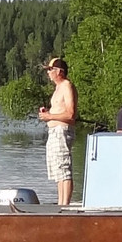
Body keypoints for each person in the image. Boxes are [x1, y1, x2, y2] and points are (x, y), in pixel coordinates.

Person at [37, 57, 78, 205]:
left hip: (62, 131)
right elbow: (60, 110)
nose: (48, 73)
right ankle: (61, 203)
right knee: (58, 171)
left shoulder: (67, 85)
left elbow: (71, 114)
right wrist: (48, 114)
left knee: (64, 168)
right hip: (54, 132)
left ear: (59, 71)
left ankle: (65, 205)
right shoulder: (57, 88)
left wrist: (50, 116)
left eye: (50, 69)